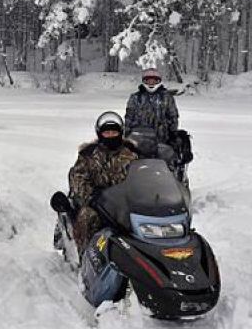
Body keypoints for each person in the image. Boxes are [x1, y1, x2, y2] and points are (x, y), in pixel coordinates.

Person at [66, 111, 140, 252]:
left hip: (126, 203)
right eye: (107, 133)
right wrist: (92, 196)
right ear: (100, 134)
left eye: (114, 132)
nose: (111, 135)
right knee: (87, 217)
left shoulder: (132, 154)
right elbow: (78, 179)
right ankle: (84, 254)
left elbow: (143, 176)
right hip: (98, 204)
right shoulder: (88, 155)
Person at [123, 67, 179, 145]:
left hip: (162, 139)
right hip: (139, 139)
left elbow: (173, 116)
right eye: (148, 81)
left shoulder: (167, 97)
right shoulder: (135, 97)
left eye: (154, 81)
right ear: (144, 81)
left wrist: (173, 133)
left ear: (158, 81)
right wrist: (127, 134)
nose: (151, 83)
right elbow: (129, 117)